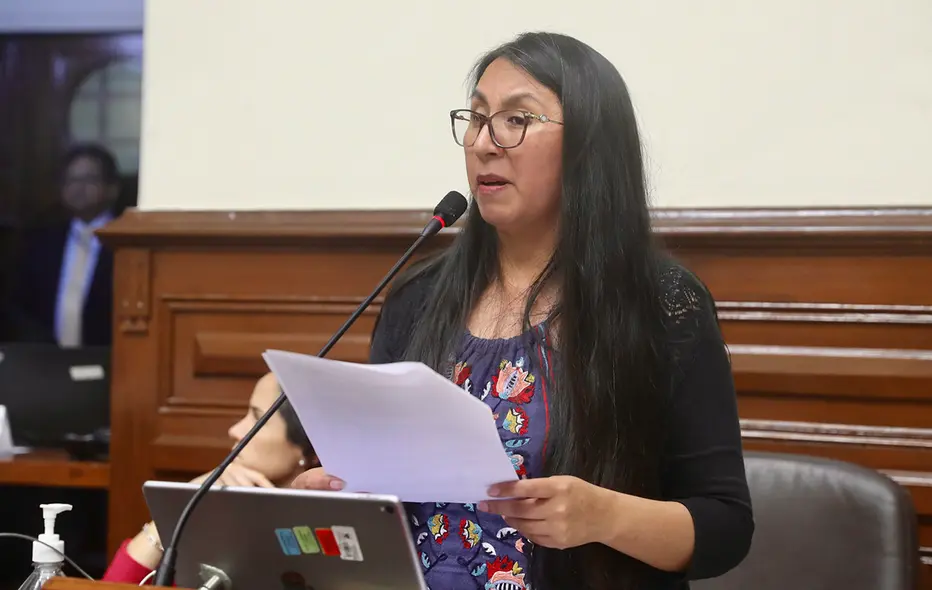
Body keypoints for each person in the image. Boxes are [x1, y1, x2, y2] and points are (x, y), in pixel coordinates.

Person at [293, 32, 753, 590]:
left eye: (517, 120)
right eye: (478, 118)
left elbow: (726, 527)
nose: (484, 143)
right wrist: (346, 494)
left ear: (589, 145)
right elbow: (387, 495)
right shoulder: (418, 296)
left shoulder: (659, 303)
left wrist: (604, 517)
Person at [102, 373, 318, 583]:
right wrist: (179, 510)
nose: (235, 430)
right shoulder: (221, 515)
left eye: (257, 417)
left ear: (310, 449)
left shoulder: (327, 538)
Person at [5, 143, 121, 347]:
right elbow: (19, 304)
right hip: (47, 361)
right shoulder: (43, 241)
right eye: (70, 180)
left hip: (109, 358)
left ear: (112, 188)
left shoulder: (124, 242)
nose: (78, 188)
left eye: (88, 179)